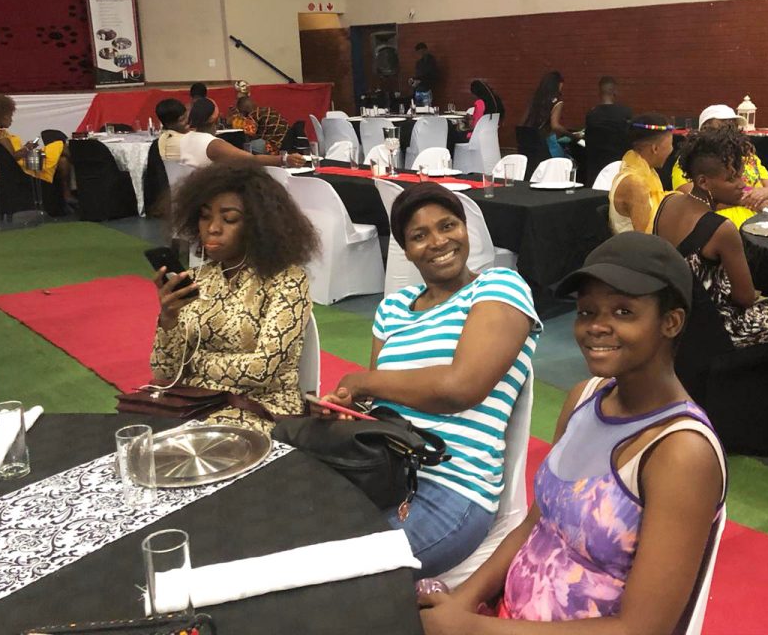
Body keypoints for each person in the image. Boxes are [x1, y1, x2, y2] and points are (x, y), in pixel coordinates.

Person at [419, 232, 726, 633]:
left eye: (623, 312)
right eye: (586, 312)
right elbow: (535, 525)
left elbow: (640, 628)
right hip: (504, 617)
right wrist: (462, 602)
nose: (596, 327)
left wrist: (467, 628)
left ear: (671, 322)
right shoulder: (584, 398)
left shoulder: (680, 452)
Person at [316, 183, 542, 577]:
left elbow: (460, 388)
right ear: (406, 250)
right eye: (419, 236)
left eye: (448, 225)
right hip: (383, 468)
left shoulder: (499, 287)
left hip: (452, 488)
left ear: (466, 229)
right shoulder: (392, 309)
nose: (438, 242)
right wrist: (351, 407)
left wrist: (363, 382)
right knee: (288, 532)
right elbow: (380, 405)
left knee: (329, 574)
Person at [150, 162, 321, 433]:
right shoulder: (197, 278)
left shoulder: (287, 279)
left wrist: (194, 362)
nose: (213, 228)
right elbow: (165, 373)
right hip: (196, 404)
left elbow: (262, 369)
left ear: (259, 224)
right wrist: (168, 320)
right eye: (204, 217)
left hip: (263, 409)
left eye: (229, 219)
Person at [653, 128, 768, 347]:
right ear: (703, 182)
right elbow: (745, 298)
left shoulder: (668, 202)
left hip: (679, 317)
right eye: (732, 178)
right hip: (720, 326)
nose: (742, 184)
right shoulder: (721, 229)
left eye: (740, 174)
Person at [671, 104, 768, 227]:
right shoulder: (695, 162)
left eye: (733, 125)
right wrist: (747, 202)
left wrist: (765, 192)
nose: (730, 129)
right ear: (705, 129)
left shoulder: (748, 157)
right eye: (724, 124)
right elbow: (693, 201)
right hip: (728, 222)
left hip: (767, 215)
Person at [0, 92, 73, 202]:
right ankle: (74, 184)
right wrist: (28, 147)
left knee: (63, 160)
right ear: (3, 117)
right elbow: (13, 157)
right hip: (25, 165)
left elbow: (10, 154)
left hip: (25, 162)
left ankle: (65, 195)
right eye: (10, 116)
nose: (11, 120)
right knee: (59, 145)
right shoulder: (1, 134)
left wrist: (27, 147)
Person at [180, 97, 304, 169]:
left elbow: (248, 133)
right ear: (214, 118)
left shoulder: (183, 138)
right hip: (209, 192)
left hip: (192, 192)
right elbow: (252, 159)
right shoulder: (213, 144)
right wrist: (284, 159)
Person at [608, 113, 673, 235]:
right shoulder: (636, 184)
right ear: (655, 149)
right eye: (670, 145)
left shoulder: (646, 171)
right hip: (633, 246)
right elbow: (643, 237)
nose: (671, 150)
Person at [583, 75, 632, 187]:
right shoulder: (625, 113)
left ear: (599, 93)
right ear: (615, 92)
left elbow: (588, 141)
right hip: (619, 167)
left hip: (595, 170)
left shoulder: (591, 115)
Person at [522, 71, 579, 158]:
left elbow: (524, 120)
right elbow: (555, 126)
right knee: (567, 159)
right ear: (558, 84)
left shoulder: (535, 99)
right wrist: (571, 135)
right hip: (548, 144)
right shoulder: (557, 102)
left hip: (530, 141)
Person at [411, 42, 439, 107]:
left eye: (422, 52)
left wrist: (420, 81)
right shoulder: (419, 63)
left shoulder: (431, 61)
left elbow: (431, 76)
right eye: (419, 52)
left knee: (426, 109)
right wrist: (413, 80)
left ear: (426, 50)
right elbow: (418, 76)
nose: (421, 54)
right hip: (418, 90)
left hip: (426, 89)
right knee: (418, 109)